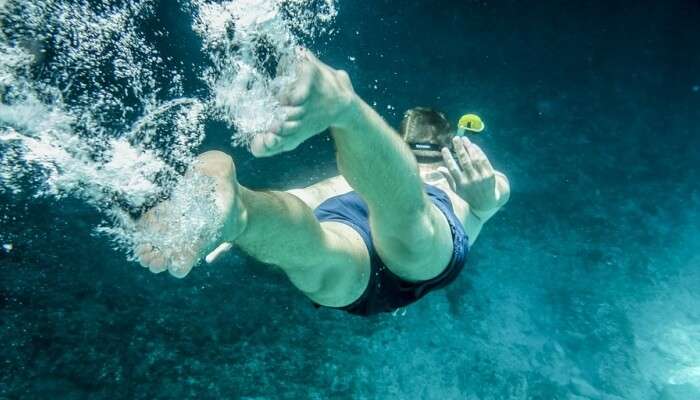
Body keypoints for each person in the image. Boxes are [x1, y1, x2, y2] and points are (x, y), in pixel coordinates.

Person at [135, 49, 510, 316]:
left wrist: (227, 223)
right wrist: (484, 196)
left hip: (351, 218)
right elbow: (492, 195)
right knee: (410, 227)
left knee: (313, 250)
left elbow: (314, 194)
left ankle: (242, 212)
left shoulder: (381, 170)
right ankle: (346, 111)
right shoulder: (463, 178)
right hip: (406, 238)